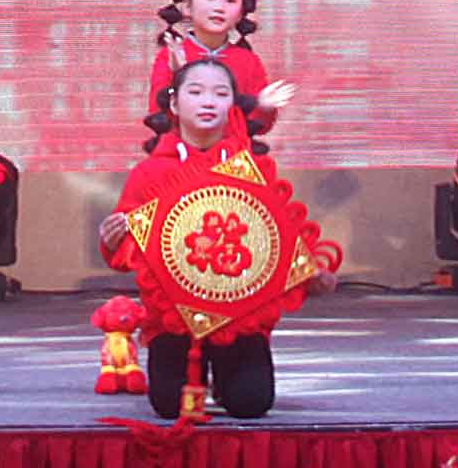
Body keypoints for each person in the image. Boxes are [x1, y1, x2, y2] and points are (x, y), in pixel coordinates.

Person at [97, 56, 335, 420]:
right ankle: (197, 375)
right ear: (174, 103)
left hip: (239, 317)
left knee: (251, 403)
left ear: (232, 106)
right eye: (196, 92)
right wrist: (112, 238)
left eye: (220, 94)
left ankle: (226, 381)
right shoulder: (149, 173)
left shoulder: (250, 169)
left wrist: (308, 274)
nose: (208, 102)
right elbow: (123, 255)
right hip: (173, 321)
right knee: (170, 407)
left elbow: (275, 239)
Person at [141, 0, 298, 149]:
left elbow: (261, 127)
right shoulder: (169, 56)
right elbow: (158, 114)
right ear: (187, 6)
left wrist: (263, 106)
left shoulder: (248, 60)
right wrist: (177, 75)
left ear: (241, 13)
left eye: (230, 0)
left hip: (233, 155)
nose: (219, 7)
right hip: (182, 154)